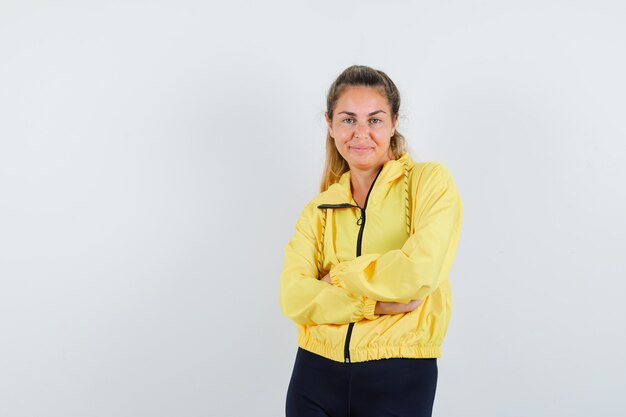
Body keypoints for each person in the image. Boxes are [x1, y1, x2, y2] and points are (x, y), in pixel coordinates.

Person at [279, 65, 463, 417]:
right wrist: (373, 305)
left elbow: (417, 274)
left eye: (374, 120)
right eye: (348, 120)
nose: (361, 133)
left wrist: (338, 275)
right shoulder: (319, 209)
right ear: (330, 124)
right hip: (314, 374)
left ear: (394, 122)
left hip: (399, 376)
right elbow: (293, 296)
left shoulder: (429, 183)